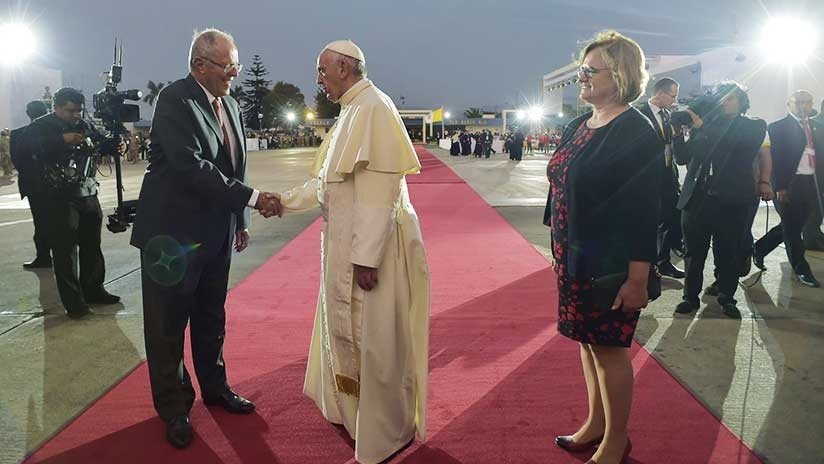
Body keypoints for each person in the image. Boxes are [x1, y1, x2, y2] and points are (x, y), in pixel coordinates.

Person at [129, 28, 283, 450]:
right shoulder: (176, 100)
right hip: (172, 237)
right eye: (227, 65)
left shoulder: (230, 103)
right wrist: (252, 199)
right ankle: (175, 406)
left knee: (211, 316)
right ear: (200, 65)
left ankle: (215, 387)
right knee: (167, 324)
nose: (234, 72)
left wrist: (240, 218)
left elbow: (236, 163)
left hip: (216, 231)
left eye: (235, 64)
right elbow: (189, 166)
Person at [279, 39, 429, 464]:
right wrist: (283, 202)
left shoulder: (375, 108)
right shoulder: (350, 110)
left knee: (376, 339)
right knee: (350, 334)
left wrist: (365, 258)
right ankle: (351, 411)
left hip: (371, 250)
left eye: (323, 72)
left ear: (344, 67)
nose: (318, 80)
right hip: (344, 243)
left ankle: (384, 428)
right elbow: (329, 184)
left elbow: (381, 193)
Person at [544, 31, 660, 464]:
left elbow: (643, 211)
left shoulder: (636, 131)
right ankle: (595, 422)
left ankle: (616, 438)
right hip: (573, 258)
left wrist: (637, 277)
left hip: (610, 262)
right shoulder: (580, 124)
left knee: (609, 350)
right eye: (582, 70)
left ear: (622, 75)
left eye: (591, 71)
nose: (582, 78)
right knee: (587, 343)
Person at [674, 82, 767, 318]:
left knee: (728, 253)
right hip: (697, 200)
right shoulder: (704, 126)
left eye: (731, 98)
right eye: (721, 98)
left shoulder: (753, 126)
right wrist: (677, 132)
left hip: (732, 201)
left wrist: (701, 126)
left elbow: (733, 148)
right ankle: (690, 298)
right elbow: (683, 158)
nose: (724, 102)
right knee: (694, 254)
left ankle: (727, 297)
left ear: (741, 102)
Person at [26, 88, 121, 318]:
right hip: (59, 197)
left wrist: (114, 145)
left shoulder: (84, 125)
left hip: (87, 192)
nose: (76, 115)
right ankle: (74, 303)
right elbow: (28, 149)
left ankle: (94, 290)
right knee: (65, 251)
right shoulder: (41, 126)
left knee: (91, 245)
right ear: (56, 107)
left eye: (79, 110)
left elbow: (99, 142)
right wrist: (61, 139)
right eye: (70, 110)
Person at [753, 90, 823, 287]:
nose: (803, 106)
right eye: (798, 102)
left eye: (807, 102)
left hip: (812, 183)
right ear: (789, 105)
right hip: (788, 184)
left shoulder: (818, 126)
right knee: (792, 229)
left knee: (795, 224)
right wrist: (779, 186)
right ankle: (801, 268)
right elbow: (773, 160)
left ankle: (759, 248)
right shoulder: (777, 128)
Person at [639, 77, 685, 279]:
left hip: (667, 177)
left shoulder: (668, 115)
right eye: (673, 96)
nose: (674, 100)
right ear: (660, 94)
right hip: (646, 179)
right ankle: (644, 266)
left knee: (668, 221)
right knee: (645, 224)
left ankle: (663, 262)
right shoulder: (639, 114)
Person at [10, 100, 52, 268]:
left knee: (40, 222)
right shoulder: (56, 133)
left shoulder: (18, 134)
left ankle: (43, 256)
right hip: (58, 184)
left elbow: (17, 162)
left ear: (28, 114)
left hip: (34, 185)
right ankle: (61, 254)